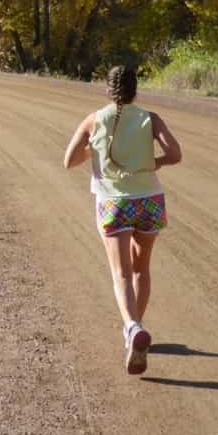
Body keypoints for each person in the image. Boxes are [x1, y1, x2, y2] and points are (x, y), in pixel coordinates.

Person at [62, 65, 182, 374]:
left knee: (122, 274)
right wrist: (150, 163)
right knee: (142, 269)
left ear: (108, 89)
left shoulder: (93, 120)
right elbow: (176, 155)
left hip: (114, 203)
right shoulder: (150, 118)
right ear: (135, 89)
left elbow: (68, 161)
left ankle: (132, 328)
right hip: (150, 202)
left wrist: (93, 151)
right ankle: (135, 331)